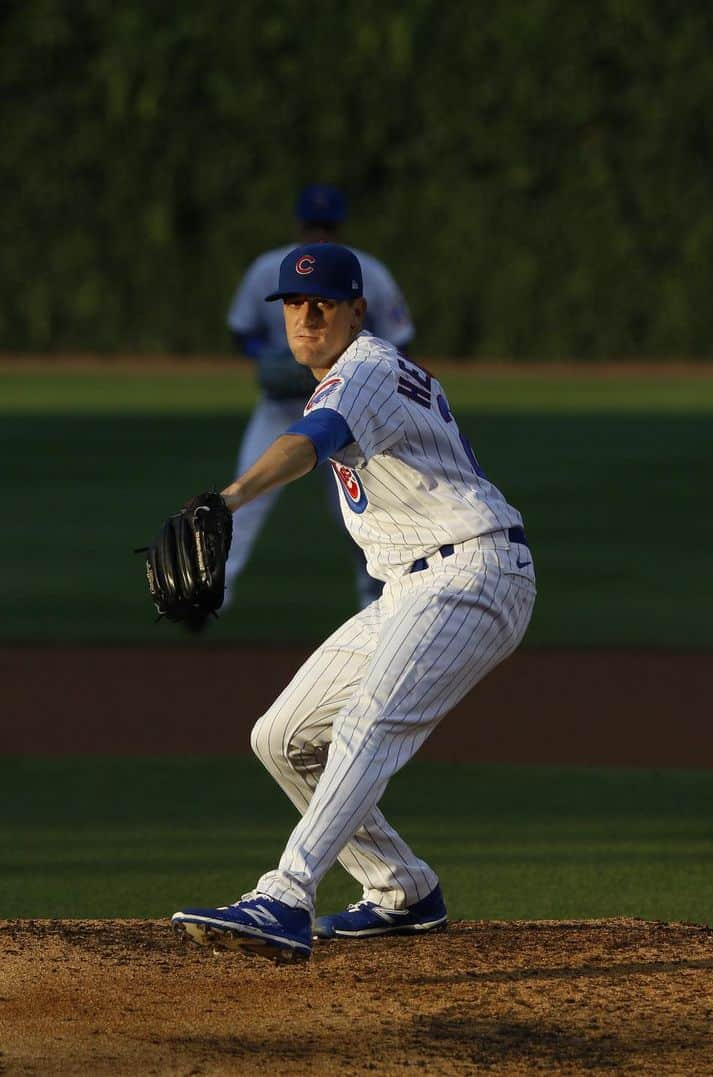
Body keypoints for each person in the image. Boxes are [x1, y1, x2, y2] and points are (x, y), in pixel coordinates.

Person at [171, 244, 535, 962]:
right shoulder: (354, 372)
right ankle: (401, 889)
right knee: (281, 736)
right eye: (293, 305)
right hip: (419, 585)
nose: (306, 316)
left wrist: (230, 498)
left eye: (323, 303)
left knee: (367, 717)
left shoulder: (363, 366)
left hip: (475, 573)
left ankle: (284, 894)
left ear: (355, 310)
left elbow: (313, 441)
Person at [224, 184, 415, 610]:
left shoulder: (369, 273)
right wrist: (268, 357)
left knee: (363, 515)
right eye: (313, 225)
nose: (319, 234)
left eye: (326, 227)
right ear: (299, 224)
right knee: (245, 509)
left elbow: (400, 339)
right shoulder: (268, 268)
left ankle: (379, 598)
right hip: (281, 408)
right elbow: (241, 330)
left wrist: (353, 369)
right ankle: (211, 596)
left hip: (350, 410)